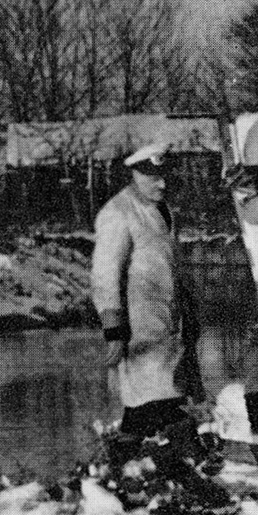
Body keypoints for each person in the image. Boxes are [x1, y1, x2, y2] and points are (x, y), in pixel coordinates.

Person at [92, 142, 203, 441]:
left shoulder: (163, 209)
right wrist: (113, 329)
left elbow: (171, 264)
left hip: (170, 322)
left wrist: (190, 310)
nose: (162, 184)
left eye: (165, 176)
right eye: (154, 178)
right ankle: (132, 455)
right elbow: (105, 275)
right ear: (136, 175)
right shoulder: (118, 212)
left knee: (169, 397)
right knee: (149, 402)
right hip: (140, 327)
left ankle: (153, 454)